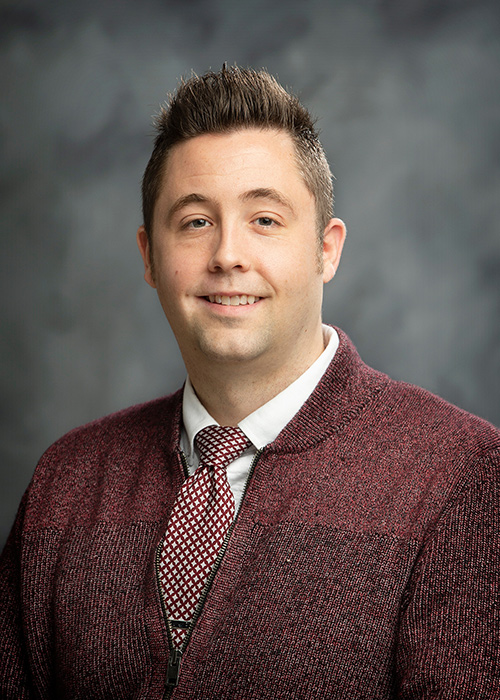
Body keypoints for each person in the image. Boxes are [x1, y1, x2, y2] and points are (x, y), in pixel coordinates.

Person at [1, 66, 499, 700]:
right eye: (195, 222)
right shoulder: (66, 482)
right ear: (150, 257)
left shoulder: (461, 477)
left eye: (265, 219)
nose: (228, 255)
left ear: (327, 250)